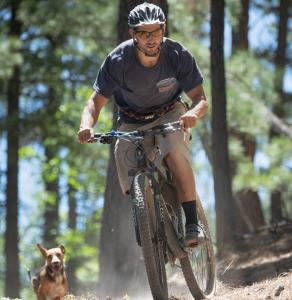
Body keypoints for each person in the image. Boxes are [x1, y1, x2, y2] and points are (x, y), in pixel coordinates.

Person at [78, 2, 208, 247]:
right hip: (131, 119)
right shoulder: (118, 60)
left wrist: (193, 113)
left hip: (171, 112)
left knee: (175, 151)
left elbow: (201, 98)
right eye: (144, 33)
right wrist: (86, 126)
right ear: (133, 34)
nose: (151, 39)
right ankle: (154, 228)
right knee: (126, 167)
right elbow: (93, 103)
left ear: (163, 29)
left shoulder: (177, 55)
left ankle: (192, 222)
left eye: (156, 32)